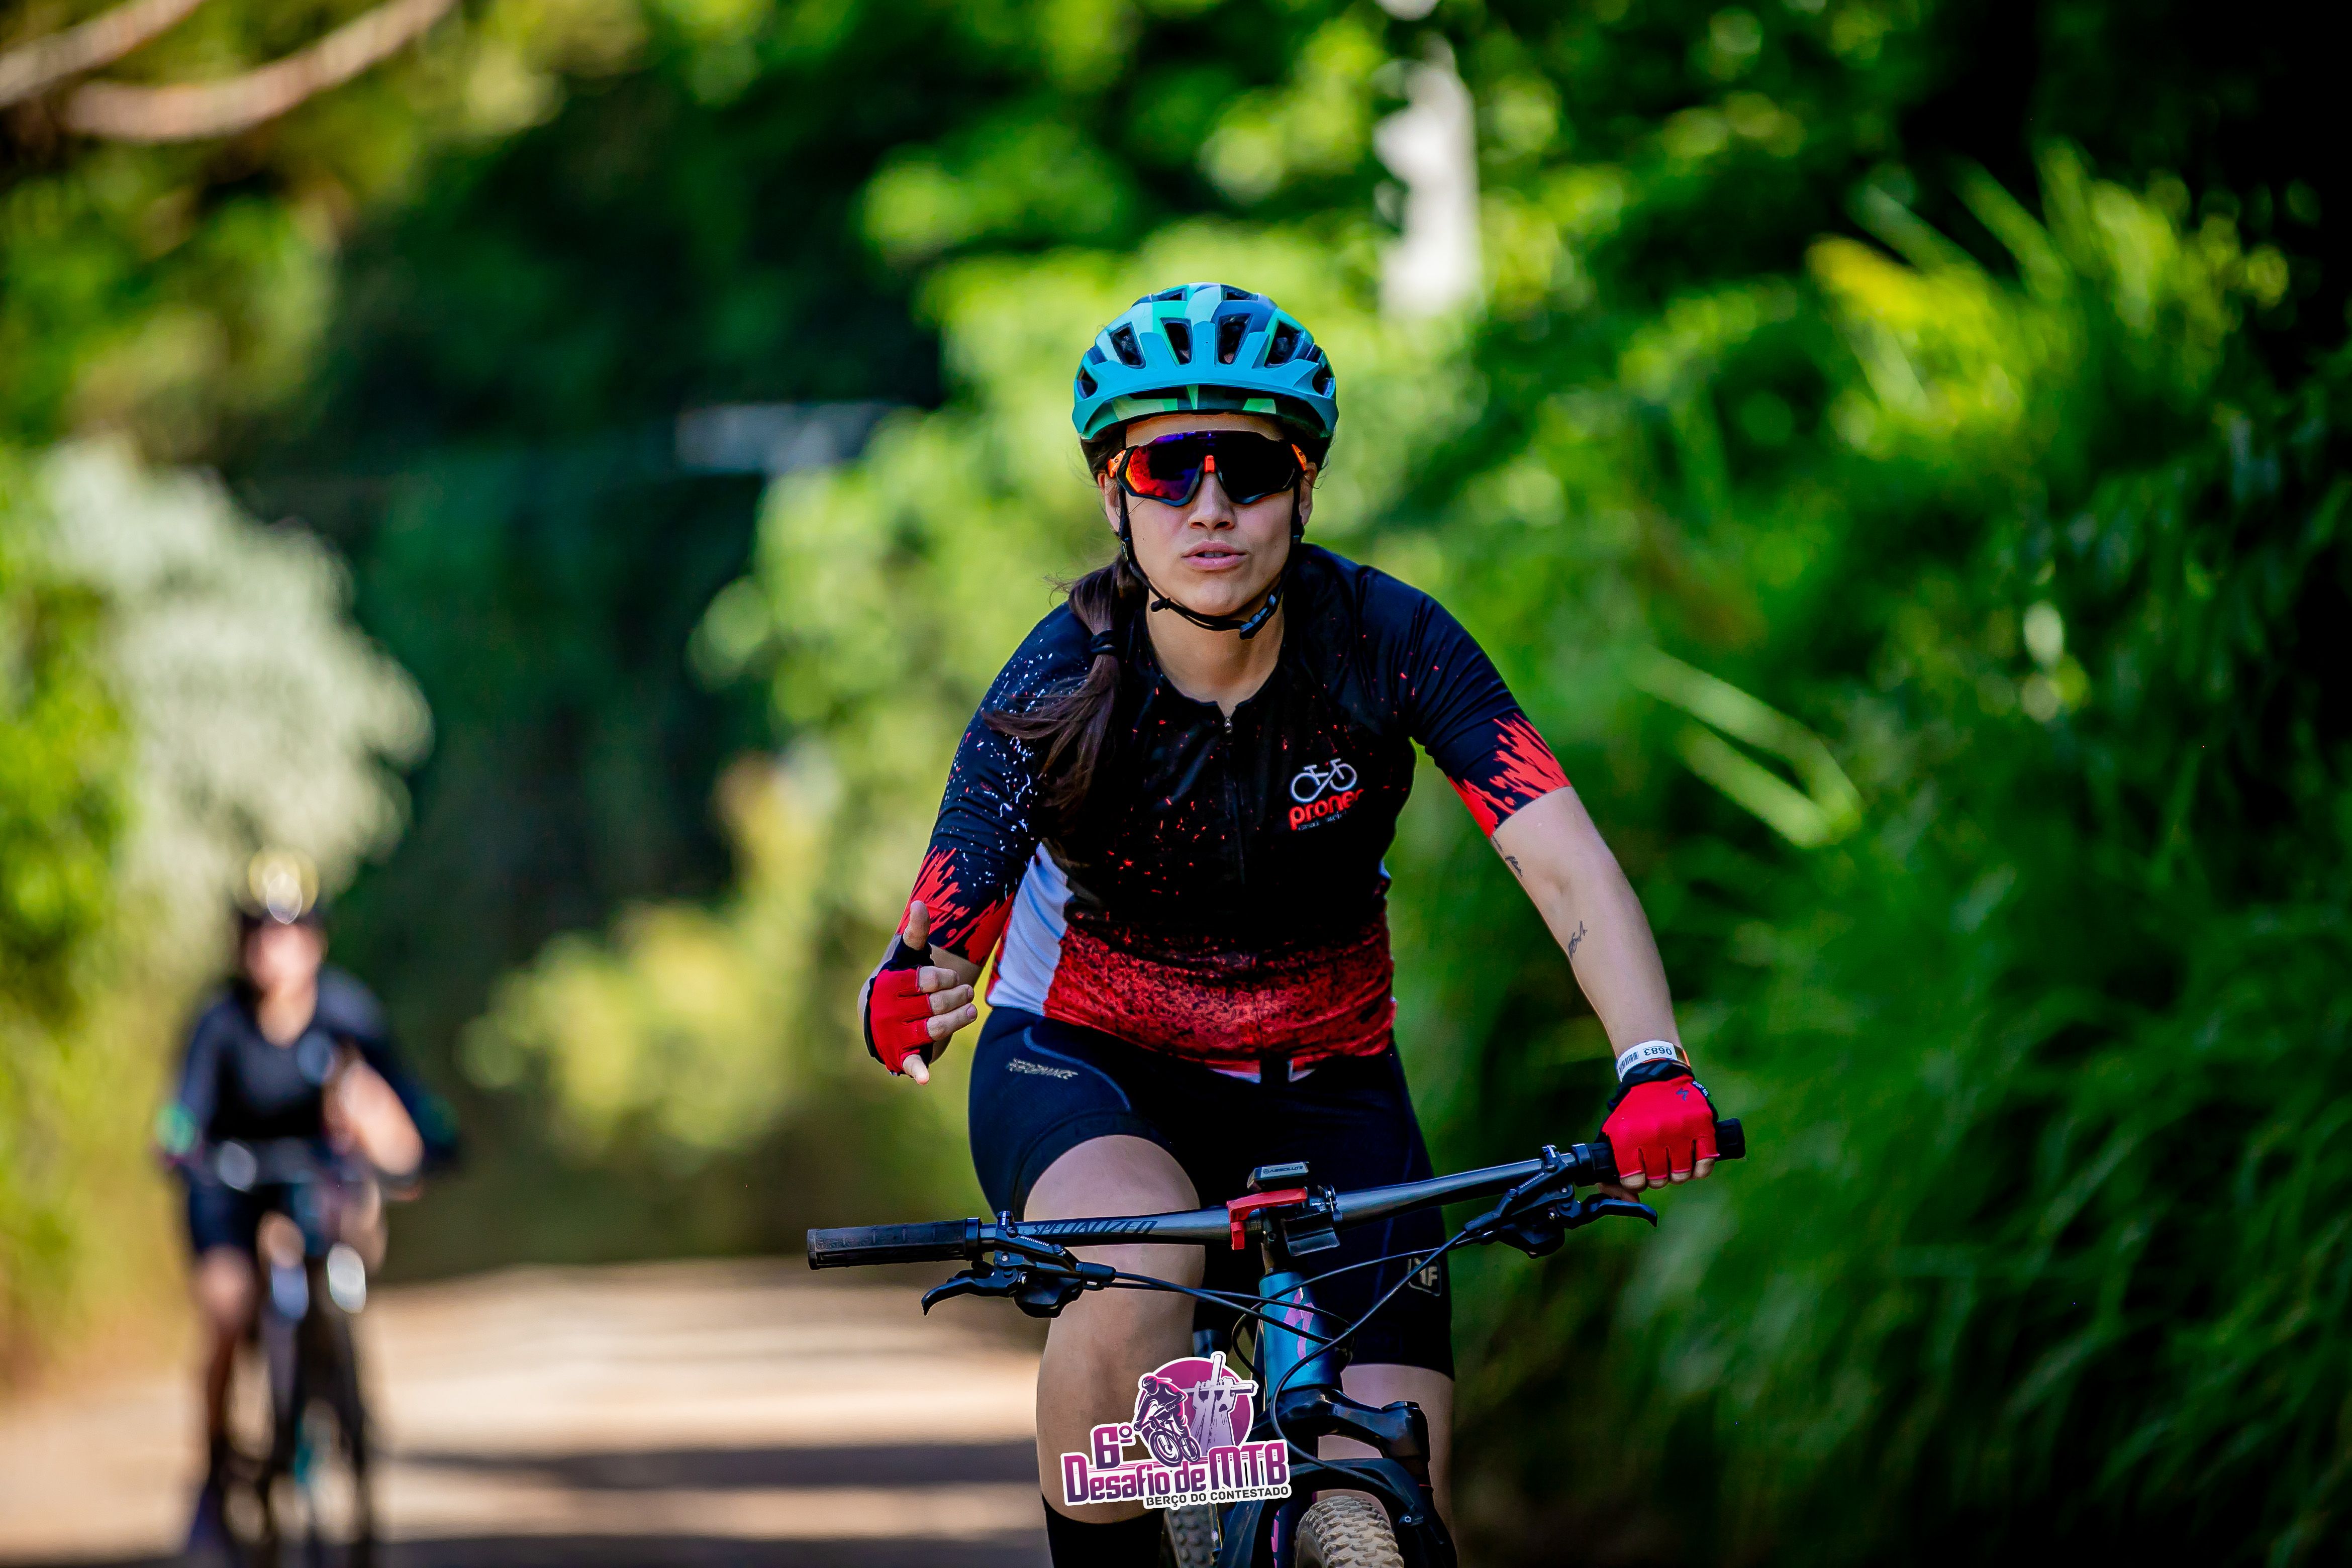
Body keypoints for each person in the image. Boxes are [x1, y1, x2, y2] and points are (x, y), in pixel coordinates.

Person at [858, 283, 1722, 1565]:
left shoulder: (1390, 642)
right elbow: (939, 926)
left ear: (1303, 488)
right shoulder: (1059, 677)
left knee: (1394, 1500)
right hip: (1094, 1070)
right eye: (1169, 468)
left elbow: (1563, 861)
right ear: (1114, 495)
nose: (1210, 506)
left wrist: (1653, 1063)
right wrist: (905, 996)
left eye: (1250, 468)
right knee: (1139, 1272)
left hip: (1331, 1082)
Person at [157, 850, 445, 1528]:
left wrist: (427, 1141)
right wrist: (175, 1140)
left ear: (315, 942)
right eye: (259, 934)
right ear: (241, 943)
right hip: (229, 1183)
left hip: (312, 1181)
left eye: (288, 934)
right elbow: (184, 1110)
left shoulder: (346, 1012)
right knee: (228, 1310)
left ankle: (339, 1391)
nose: (273, 950)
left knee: (343, 1240)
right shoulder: (219, 1022)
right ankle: (214, 1469)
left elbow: (403, 1093)